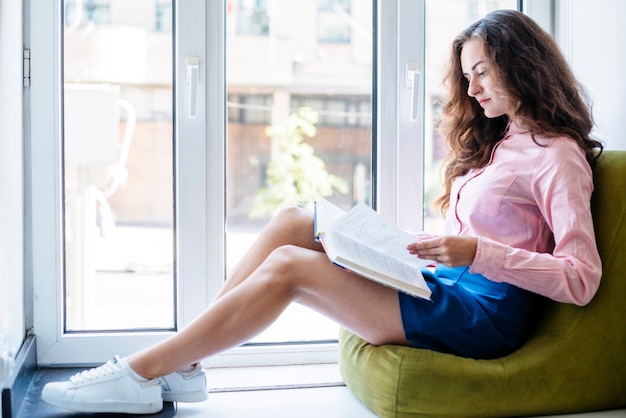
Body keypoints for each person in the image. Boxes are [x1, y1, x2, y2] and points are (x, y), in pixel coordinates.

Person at [42, 9, 603, 414]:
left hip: (485, 319)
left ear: (519, 64)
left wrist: (477, 252)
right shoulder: (503, 142)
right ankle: (185, 367)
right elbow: (475, 237)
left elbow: (581, 280)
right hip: (448, 283)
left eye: (481, 70)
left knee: (291, 265)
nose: (471, 86)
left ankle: (141, 371)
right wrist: (411, 241)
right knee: (294, 217)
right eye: (467, 73)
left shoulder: (559, 158)